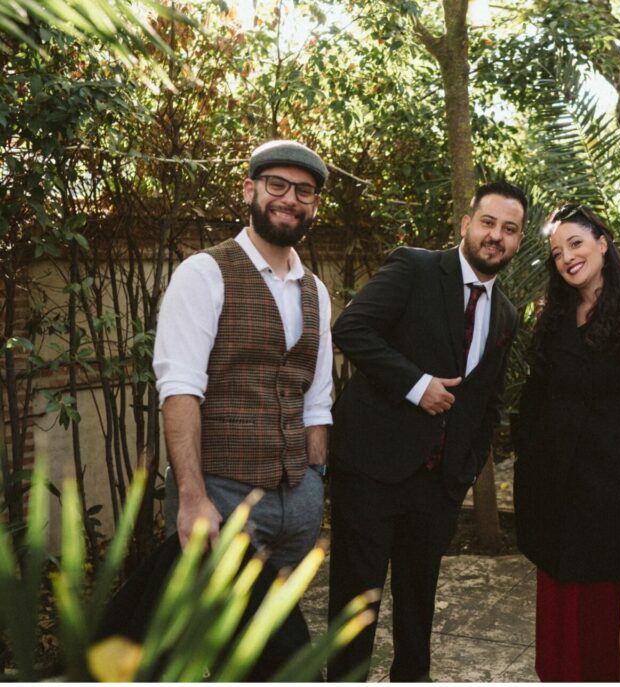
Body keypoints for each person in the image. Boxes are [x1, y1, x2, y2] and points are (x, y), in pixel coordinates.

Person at [327, 181, 527, 681]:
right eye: (488, 223)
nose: (496, 237)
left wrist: (462, 470)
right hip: (371, 472)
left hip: (437, 487)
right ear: (465, 225)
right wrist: (416, 385)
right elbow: (351, 329)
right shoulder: (414, 268)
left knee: (418, 610)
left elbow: (489, 402)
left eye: (509, 229)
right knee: (355, 608)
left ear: (519, 241)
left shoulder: (505, 313)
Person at [512, 204, 620, 682]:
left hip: (613, 487)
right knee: (559, 607)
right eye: (557, 252)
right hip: (554, 484)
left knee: (606, 610)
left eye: (576, 243)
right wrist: (528, 452)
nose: (567, 257)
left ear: (602, 242)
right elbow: (536, 393)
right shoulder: (555, 314)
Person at [154, 139, 333, 572]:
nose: (290, 199)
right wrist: (193, 498)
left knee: (276, 632)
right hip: (221, 497)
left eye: (303, 191)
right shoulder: (204, 273)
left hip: (299, 504)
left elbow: (316, 400)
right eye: (277, 185)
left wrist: (314, 484)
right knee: (209, 635)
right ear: (250, 190)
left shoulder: (316, 290)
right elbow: (180, 393)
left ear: (313, 206)